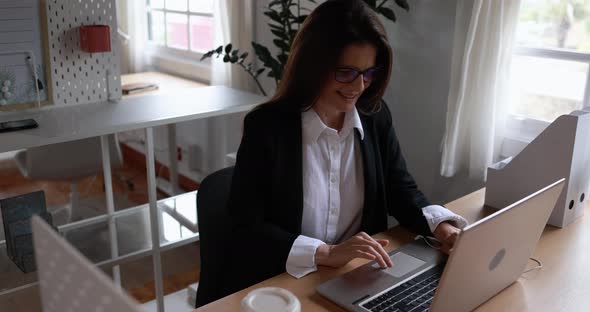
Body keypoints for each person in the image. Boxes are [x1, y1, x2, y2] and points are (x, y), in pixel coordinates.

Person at [200, 0, 467, 305]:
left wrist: (442, 227)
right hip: (287, 283)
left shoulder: (374, 116)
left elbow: (400, 189)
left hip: (355, 277)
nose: (358, 86)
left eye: (368, 73)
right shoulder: (268, 127)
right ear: (313, 66)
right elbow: (246, 228)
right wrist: (325, 252)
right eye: (345, 72)